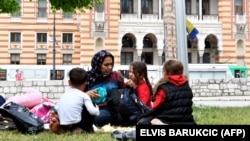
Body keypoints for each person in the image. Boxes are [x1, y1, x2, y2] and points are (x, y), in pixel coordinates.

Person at [111, 59, 196, 140]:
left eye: (164, 71)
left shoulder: (164, 88)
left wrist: (144, 118)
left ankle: (125, 135)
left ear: (168, 72)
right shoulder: (186, 86)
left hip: (167, 121)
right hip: (187, 121)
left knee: (145, 123)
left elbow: (155, 107)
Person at [50, 50, 126, 131]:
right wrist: (87, 94)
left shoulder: (116, 76)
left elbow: (124, 93)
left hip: (108, 109)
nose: (110, 67)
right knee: (76, 115)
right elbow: (74, 95)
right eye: (106, 65)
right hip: (87, 109)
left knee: (98, 118)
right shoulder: (88, 77)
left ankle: (65, 126)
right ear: (98, 64)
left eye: (111, 64)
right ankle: (65, 123)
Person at [50, 67, 99, 134]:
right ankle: (85, 129)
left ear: (69, 82)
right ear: (85, 84)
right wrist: (97, 109)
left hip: (63, 123)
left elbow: (55, 108)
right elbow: (92, 111)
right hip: (77, 123)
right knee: (92, 104)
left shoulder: (64, 95)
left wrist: (55, 115)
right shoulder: (84, 95)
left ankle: (63, 129)